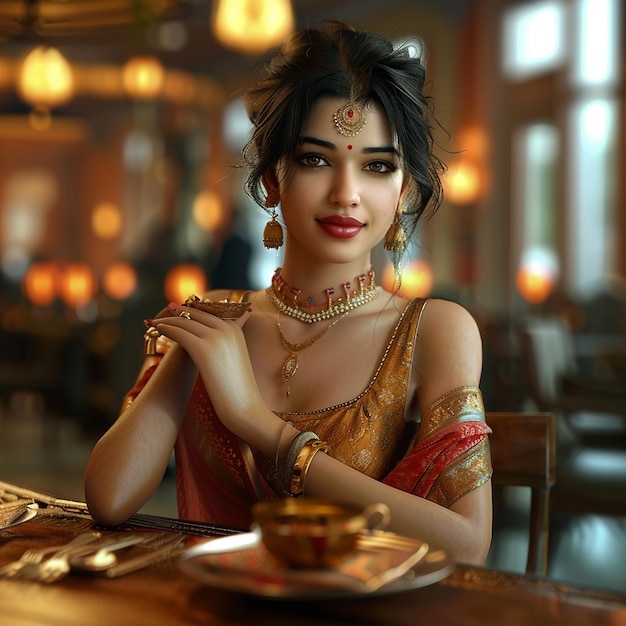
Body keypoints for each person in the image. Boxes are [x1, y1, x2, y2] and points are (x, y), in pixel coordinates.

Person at [84, 21, 493, 565]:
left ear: (405, 190)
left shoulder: (433, 330)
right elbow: (108, 501)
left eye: (376, 166)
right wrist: (190, 354)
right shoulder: (214, 321)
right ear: (273, 179)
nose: (346, 194)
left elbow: (468, 544)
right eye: (316, 159)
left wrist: (256, 422)